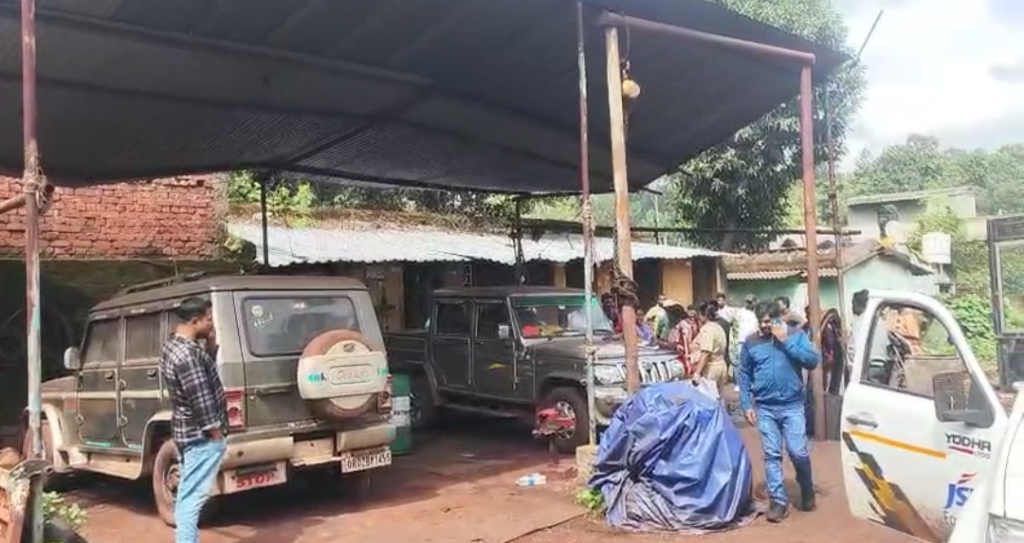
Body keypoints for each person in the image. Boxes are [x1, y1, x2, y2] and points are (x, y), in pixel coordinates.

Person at [738, 301, 820, 522]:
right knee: (772, 455)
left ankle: (806, 487)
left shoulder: (795, 335)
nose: (765, 326)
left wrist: (785, 342)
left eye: (769, 321)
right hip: (765, 407)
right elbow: (744, 374)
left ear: (779, 318)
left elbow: (812, 361)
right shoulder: (751, 342)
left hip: (792, 406)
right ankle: (778, 501)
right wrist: (746, 404)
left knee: (798, 452)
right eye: (761, 322)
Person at [159, 297, 227, 543]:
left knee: (188, 494)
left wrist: (211, 345)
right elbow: (200, 396)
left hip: (185, 431)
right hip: (201, 437)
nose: (212, 324)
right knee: (191, 499)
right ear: (195, 321)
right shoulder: (188, 356)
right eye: (208, 320)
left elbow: (198, 373)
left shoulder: (172, 346)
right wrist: (215, 433)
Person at [691, 301, 729, 391]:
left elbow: (706, 353)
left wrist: (697, 373)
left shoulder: (707, 329)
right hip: (721, 366)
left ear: (703, 315)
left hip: (710, 369)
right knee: (718, 396)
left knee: (708, 397)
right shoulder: (718, 327)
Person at [661, 302, 697, 374]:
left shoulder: (683, 327)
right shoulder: (676, 326)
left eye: (670, 315)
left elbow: (686, 345)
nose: (668, 317)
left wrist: (688, 365)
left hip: (684, 360)